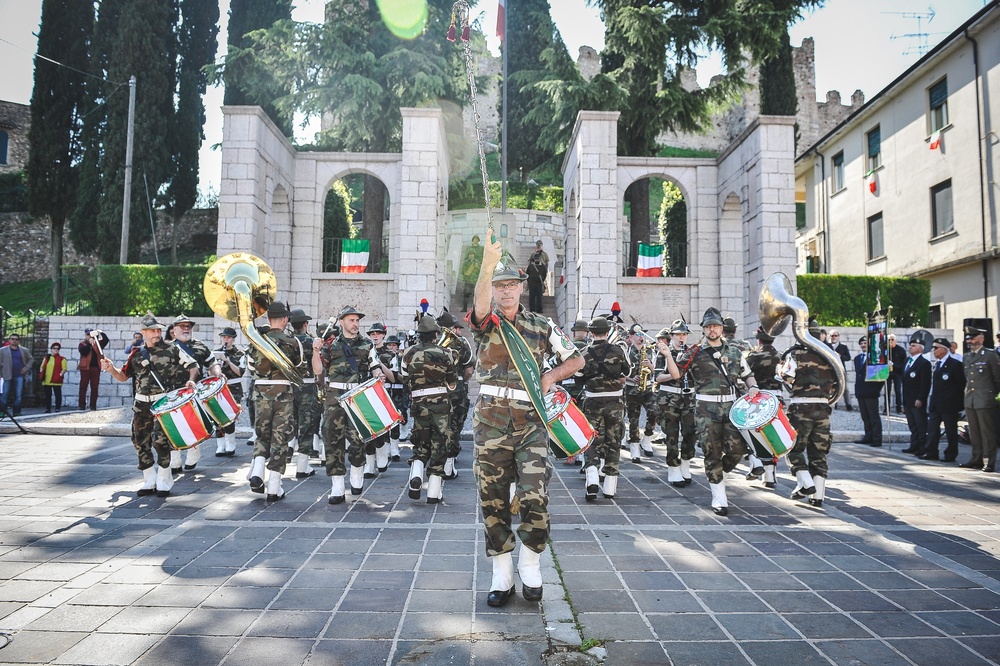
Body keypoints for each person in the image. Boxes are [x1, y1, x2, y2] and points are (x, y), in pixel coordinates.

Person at [470, 226, 583, 607]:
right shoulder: (487, 322)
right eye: (498, 284)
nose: (505, 290)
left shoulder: (541, 324)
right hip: (490, 423)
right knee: (493, 498)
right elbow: (480, 308)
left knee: (536, 495)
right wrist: (486, 266)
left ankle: (531, 566)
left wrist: (551, 375)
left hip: (531, 424)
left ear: (522, 286)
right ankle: (501, 576)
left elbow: (576, 358)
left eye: (510, 284)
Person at [100, 314, 198, 498]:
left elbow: (193, 366)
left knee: (161, 442)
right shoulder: (136, 355)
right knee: (140, 441)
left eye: (159, 330)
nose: (157, 333)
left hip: (162, 404)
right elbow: (123, 376)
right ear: (143, 332)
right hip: (141, 405)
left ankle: (164, 480)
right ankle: (149, 479)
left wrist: (191, 381)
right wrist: (111, 368)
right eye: (152, 330)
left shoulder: (172, 349)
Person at [677, 307, 760, 517]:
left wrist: (753, 387)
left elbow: (748, 374)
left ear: (722, 328)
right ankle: (719, 496)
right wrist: (668, 355)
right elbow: (676, 372)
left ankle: (717, 473)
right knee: (711, 451)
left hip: (731, 408)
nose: (712, 330)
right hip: (706, 408)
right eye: (708, 326)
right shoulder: (694, 352)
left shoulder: (734, 352)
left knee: (738, 450)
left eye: (715, 326)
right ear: (703, 329)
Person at [313, 305, 381, 504]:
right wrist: (315, 351)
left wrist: (379, 376)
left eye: (357, 320)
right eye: (351, 320)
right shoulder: (330, 345)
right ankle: (337, 485)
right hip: (334, 395)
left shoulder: (367, 344)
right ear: (341, 322)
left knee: (359, 439)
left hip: (357, 395)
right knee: (332, 439)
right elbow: (318, 370)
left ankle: (357, 472)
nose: (355, 324)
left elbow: (375, 366)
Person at [246, 301, 303, 501]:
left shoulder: (256, 340)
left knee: (262, 433)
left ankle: (257, 471)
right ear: (286, 319)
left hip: (261, 391)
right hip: (283, 393)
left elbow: (251, 367)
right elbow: (298, 366)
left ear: (268, 319)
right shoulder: (293, 342)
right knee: (280, 438)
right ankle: (274, 487)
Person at [781, 320, 837, 508]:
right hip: (823, 408)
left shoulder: (795, 354)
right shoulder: (831, 355)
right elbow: (838, 383)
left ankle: (806, 484)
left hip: (800, 407)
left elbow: (787, 377)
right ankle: (818, 496)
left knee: (793, 448)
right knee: (819, 452)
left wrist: (780, 373)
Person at [402, 315, 458, 503]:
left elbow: (403, 377)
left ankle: (415, 475)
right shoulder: (446, 353)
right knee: (440, 444)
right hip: (441, 405)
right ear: (435, 334)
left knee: (420, 442)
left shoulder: (408, 353)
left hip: (418, 403)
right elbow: (452, 384)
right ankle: (433, 492)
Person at [579, 316, 630, 501]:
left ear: (591, 333)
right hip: (615, 401)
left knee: (590, 439)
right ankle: (609, 486)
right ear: (607, 332)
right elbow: (627, 371)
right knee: (614, 440)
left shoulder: (584, 353)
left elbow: (578, 376)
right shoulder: (617, 350)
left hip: (593, 402)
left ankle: (592, 476)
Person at [168, 314, 222, 474]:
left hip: (194, 392)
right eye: (182, 326)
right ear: (174, 329)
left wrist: (217, 374)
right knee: (172, 426)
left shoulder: (200, 346)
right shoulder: (167, 348)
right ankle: (175, 458)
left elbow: (212, 363)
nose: (186, 329)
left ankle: (193, 451)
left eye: (188, 326)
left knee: (193, 424)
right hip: (172, 393)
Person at [655, 321, 697, 487]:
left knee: (690, 432)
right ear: (671, 336)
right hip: (669, 399)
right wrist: (675, 373)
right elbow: (657, 378)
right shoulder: (663, 352)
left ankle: (685, 462)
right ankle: (673, 467)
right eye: (678, 334)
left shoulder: (692, 352)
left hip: (689, 399)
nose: (681, 337)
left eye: (684, 334)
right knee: (671, 434)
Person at [437, 310, 475, 479]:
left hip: (436, 389)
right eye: (455, 328)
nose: (458, 331)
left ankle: (442, 459)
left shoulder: (431, 341)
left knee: (440, 424)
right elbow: (469, 369)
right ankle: (449, 462)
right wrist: (463, 381)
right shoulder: (462, 343)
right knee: (455, 423)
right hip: (456, 388)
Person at [745, 326, 783, 489]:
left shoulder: (752, 355)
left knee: (756, 435)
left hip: (759, 398)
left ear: (758, 339)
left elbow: (744, 374)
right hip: (777, 398)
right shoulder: (780, 356)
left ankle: (757, 464)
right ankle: (770, 475)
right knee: (773, 436)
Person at [960, 325, 1000, 473]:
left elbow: (997, 378)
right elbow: (967, 378)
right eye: (968, 338)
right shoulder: (967, 356)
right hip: (970, 399)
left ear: (981, 339)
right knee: (974, 432)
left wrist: (990, 394)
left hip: (985, 398)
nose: (969, 340)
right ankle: (976, 458)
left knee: (987, 432)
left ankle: (988, 461)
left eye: (972, 338)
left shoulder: (990, 355)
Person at [920, 338, 966, 462]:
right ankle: (931, 451)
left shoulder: (955, 364)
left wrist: (959, 404)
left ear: (944, 349)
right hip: (936, 403)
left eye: (936, 348)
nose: (933, 350)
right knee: (932, 430)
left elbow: (961, 385)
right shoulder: (937, 364)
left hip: (949, 404)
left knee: (950, 431)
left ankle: (951, 454)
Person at [289, 309, 321, 473]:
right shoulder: (311, 342)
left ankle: (288, 449)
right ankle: (302, 466)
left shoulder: (287, 341)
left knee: (290, 421)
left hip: (289, 386)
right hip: (307, 387)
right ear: (305, 324)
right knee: (307, 425)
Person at [364, 321, 397, 477]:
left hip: (384, 393)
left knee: (382, 427)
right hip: (367, 393)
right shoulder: (365, 352)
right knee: (367, 429)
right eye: (372, 334)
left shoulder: (391, 355)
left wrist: (379, 364)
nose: (375, 336)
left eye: (377, 333)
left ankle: (382, 452)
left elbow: (393, 378)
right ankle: (369, 465)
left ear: (383, 335)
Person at [624, 323, 656, 461]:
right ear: (631, 336)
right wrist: (631, 378)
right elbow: (620, 373)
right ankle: (634, 446)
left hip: (647, 388)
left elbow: (656, 371)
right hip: (631, 389)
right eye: (637, 334)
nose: (640, 337)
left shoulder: (650, 351)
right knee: (633, 419)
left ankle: (647, 438)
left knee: (655, 412)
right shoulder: (626, 351)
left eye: (642, 334)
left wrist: (650, 366)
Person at [212, 327, 245, 457]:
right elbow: (210, 371)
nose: (226, 340)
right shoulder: (216, 353)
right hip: (219, 388)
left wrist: (228, 361)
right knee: (218, 416)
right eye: (224, 337)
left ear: (233, 338)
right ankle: (220, 445)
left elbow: (240, 372)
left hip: (234, 388)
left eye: (229, 337)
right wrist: (218, 365)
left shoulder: (240, 354)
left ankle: (230, 444)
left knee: (230, 417)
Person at [900, 338, 932, 456]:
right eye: (910, 345)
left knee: (920, 425)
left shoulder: (924, 363)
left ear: (920, 348)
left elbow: (925, 384)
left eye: (913, 345)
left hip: (916, 399)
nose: (910, 347)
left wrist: (921, 398)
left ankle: (922, 446)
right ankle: (914, 445)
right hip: (908, 399)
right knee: (912, 424)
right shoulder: (907, 361)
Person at [853, 337, 884, 447]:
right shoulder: (857, 358)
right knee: (865, 416)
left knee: (874, 416)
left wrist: (876, 389)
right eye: (861, 343)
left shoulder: (875, 358)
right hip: (861, 391)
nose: (863, 345)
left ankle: (877, 438)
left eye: (865, 343)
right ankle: (868, 436)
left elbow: (881, 376)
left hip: (871, 391)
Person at [0, 333, 34, 417]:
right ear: (9, 340)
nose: (14, 341)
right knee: (4, 394)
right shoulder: (2, 350)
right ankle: (2, 411)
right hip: (6, 374)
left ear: (18, 341)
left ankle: (17, 412)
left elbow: (31, 360)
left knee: (18, 395)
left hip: (19, 375)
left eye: (16, 339)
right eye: (12, 339)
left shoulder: (24, 350)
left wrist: (25, 368)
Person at [77, 328, 108, 411]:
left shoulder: (98, 344)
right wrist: (89, 344)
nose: (89, 336)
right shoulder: (82, 344)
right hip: (85, 368)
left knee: (94, 387)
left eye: (91, 334)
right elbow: (83, 352)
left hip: (95, 367)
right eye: (88, 335)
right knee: (83, 386)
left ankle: (93, 405)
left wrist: (101, 332)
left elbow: (106, 340)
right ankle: (81, 405)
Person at [827, 330, 853, 411]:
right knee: (830, 387)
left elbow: (848, 357)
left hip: (841, 370)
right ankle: (833, 404)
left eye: (835, 335)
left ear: (838, 336)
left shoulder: (843, 347)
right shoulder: (826, 346)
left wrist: (840, 356)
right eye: (832, 336)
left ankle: (848, 404)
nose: (834, 337)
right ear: (830, 336)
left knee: (845, 388)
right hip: (830, 370)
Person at [39, 341, 67, 413]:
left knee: (57, 395)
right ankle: (48, 408)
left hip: (56, 379)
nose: (56, 350)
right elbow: (42, 366)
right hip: (47, 379)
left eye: (57, 349)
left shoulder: (62, 359)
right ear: (51, 349)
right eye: (54, 348)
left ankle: (57, 408)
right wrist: (42, 373)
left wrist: (60, 375)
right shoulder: (47, 358)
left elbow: (64, 368)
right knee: (48, 395)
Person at [525, 242, 548, 314]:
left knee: (539, 296)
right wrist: (529, 282)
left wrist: (542, 280)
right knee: (531, 296)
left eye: (539, 245)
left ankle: (539, 309)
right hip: (532, 282)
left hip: (539, 282)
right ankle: (532, 309)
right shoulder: (531, 265)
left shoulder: (543, 264)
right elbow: (527, 273)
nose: (537, 260)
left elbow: (545, 272)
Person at [887, 334, 906, 413]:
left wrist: (894, 365)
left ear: (895, 340)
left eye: (892, 340)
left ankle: (899, 408)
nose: (890, 342)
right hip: (887, 372)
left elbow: (904, 362)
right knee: (887, 390)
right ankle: (886, 408)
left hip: (897, 372)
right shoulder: (885, 350)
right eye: (889, 340)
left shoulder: (901, 350)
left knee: (898, 390)